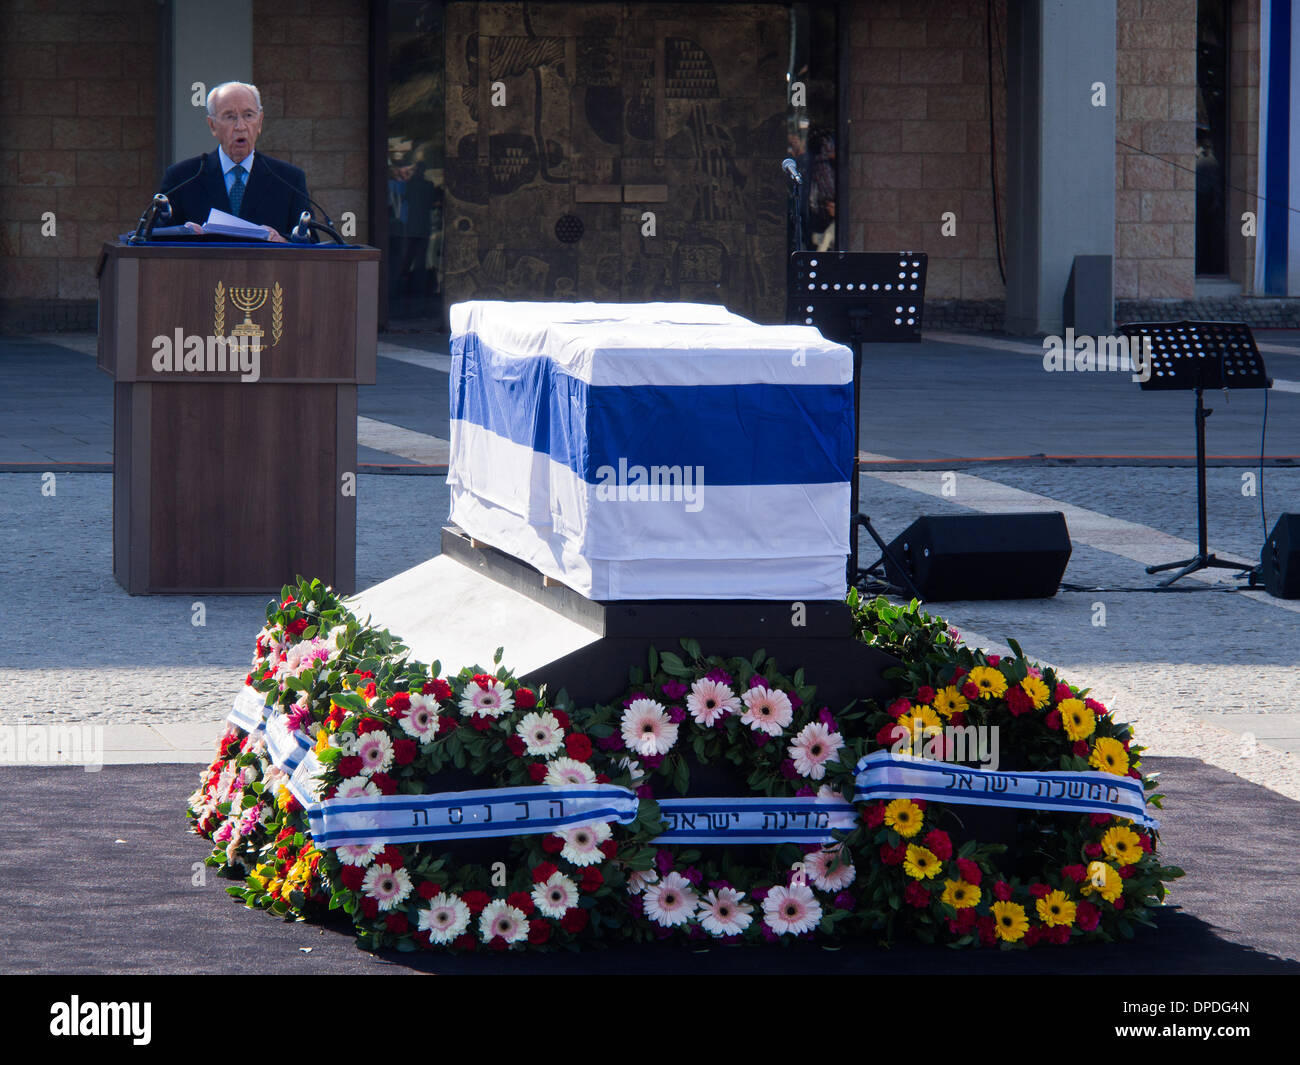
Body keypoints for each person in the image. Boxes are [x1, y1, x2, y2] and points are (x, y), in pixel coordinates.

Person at [157, 81, 310, 242]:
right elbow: (155, 237)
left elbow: (309, 240)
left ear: (260, 121)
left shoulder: (289, 179)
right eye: (230, 117)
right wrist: (184, 234)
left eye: (248, 115)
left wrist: (283, 241)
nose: (240, 126)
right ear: (212, 125)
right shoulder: (182, 177)